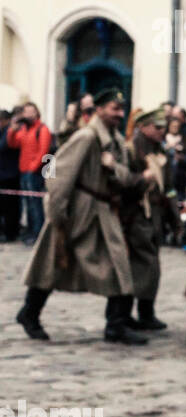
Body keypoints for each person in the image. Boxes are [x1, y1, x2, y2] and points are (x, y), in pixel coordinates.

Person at [15, 89, 142, 344]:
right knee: (50, 265)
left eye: (120, 108)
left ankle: (116, 325)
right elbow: (57, 174)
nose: (119, 113)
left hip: (103, 212)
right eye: (113, 108)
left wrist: (112, 167)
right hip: (76, 212)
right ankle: (29, 313)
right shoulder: (86, 137)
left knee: (119, 265)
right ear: (99, 109)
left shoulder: (115, 140)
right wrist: (57, 214)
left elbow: (126, 177)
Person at [118, 105, 179, 331]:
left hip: (155, 215)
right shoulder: (131, 150)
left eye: (164, 126)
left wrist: (176, 220)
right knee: (143, 265)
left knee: (151, 266)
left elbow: (169, 189)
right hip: (135, 214)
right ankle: (124, 315)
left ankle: (145, 312)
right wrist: (142, 179)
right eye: (157, 126)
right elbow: (121, 181)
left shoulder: (160, 151)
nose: (162, 130)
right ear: (143, 127)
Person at [7, 102, 52, 244]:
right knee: (28, 203)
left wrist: (33, 168)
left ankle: (38, 233)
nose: (28, 114)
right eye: (25, 112)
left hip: (34, 173)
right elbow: (13, 144)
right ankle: (31, 231)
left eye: (31, 111)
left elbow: (43, 151)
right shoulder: (24, 129)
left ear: (36, 113)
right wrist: (12, 130)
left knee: (35, 204)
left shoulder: (42, 129)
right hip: (24, 171)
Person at [0, 109, 21, 242]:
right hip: (3, 174)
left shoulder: (10, 131)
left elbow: (2, 146)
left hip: (10, 175)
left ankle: (10, 233)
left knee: (10, 208)